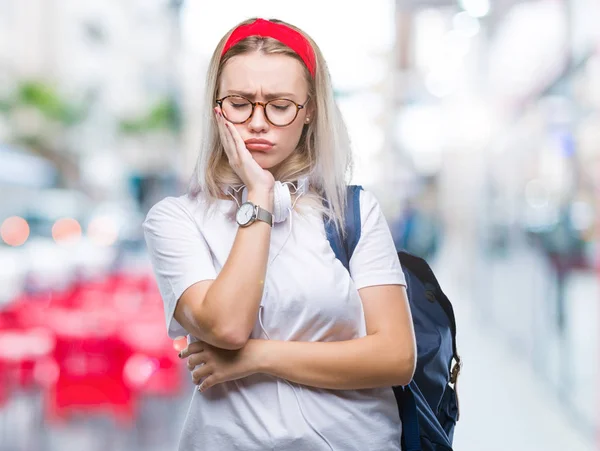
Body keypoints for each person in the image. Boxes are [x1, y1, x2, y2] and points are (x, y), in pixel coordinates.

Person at [142, 17, 417, 451]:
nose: (257, 122)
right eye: (239, 102)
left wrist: (256, 358)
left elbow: (396, 357)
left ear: (309, 112)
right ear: (216, 107)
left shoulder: (353, 211)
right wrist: (259, 195)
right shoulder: (176, 219)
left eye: (280, 105)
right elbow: (228, 326)